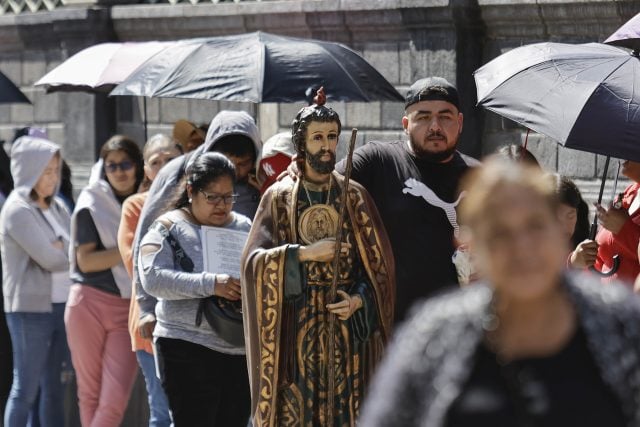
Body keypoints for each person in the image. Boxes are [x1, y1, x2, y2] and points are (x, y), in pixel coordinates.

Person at [360, 159, 640, 427]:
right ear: (468, 241)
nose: (522, 247)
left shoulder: (622, 326)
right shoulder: (433, 337)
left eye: (535, 225)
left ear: (560, 228)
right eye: (500, 232)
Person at [242, 90, 395, 426]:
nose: (326, 146)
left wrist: (359, 300)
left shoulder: (354, 197)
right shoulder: (279, 197)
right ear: (301, 143)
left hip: (344, 332)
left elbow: (379, 272)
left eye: (332, 137)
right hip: (294, 327)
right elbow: (254, 264)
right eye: (317, 138)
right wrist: (305, 255)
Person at [331, 77, 477, 322]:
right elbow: (325, 186)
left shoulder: (480, 178)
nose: (435, 126)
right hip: (390, 330)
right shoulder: (378, 161)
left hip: (459, 328)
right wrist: (301, 171)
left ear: (460, 122)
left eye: (445, 116)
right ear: (406, 124)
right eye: (423, 117)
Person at [131, 110, 262, 360]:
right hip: (181, 334)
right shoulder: (175, 175)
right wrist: (145, 308)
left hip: (234, 334)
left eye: (243, 164)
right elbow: (145, 244)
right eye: (227, 161)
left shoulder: (255, 187)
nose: (233, 171)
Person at [138, 152, 252, 426]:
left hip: (237, 350)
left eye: (228, 196)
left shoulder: (244, 226)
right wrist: (211, 284)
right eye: (212, 197)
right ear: (191, 191)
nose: (222, 205)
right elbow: (152, 278)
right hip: (185, 348)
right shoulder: (167, 227)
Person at [66, 135, 143, 427]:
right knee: (89, 395)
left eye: (125, 164)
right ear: (104, 168)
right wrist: (130, 248)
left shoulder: (148, 202)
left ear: (136, 166)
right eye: (112, 166)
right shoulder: (91, 203)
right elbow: (86, 261)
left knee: (114, 401)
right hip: (88, 304)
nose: (120, 171)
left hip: (128, 307)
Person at [0, 136, 71, 427]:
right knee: (25, 390)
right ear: (29, 169)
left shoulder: (58, 206)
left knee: (55, 388)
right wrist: (65, 250)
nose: (53, 178)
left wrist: (60, 247)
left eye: (56, 170)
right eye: (46, 171)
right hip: (29, 311)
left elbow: (68, 247)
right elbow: (51, 258)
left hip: (62, 305)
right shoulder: (17, 208)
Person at [117, 134, 180, 427]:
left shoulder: (199, 199)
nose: (165, 166)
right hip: (150, 322)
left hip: (189, 324)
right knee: (161, 413)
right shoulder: (134, 206)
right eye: (157, 162)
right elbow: (135, 265)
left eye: (170, 158)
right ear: (147, 170)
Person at [594, 160, 640, 283]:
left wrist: (625, 229)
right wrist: (576, 261)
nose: (622, 156)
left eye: (632, 146)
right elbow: (602, 254)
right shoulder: (629, 193)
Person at [547, 174, 598, 269]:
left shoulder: (585, 248)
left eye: (570, 216)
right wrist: (572, 264)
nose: (564, 226)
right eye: (556, 218)